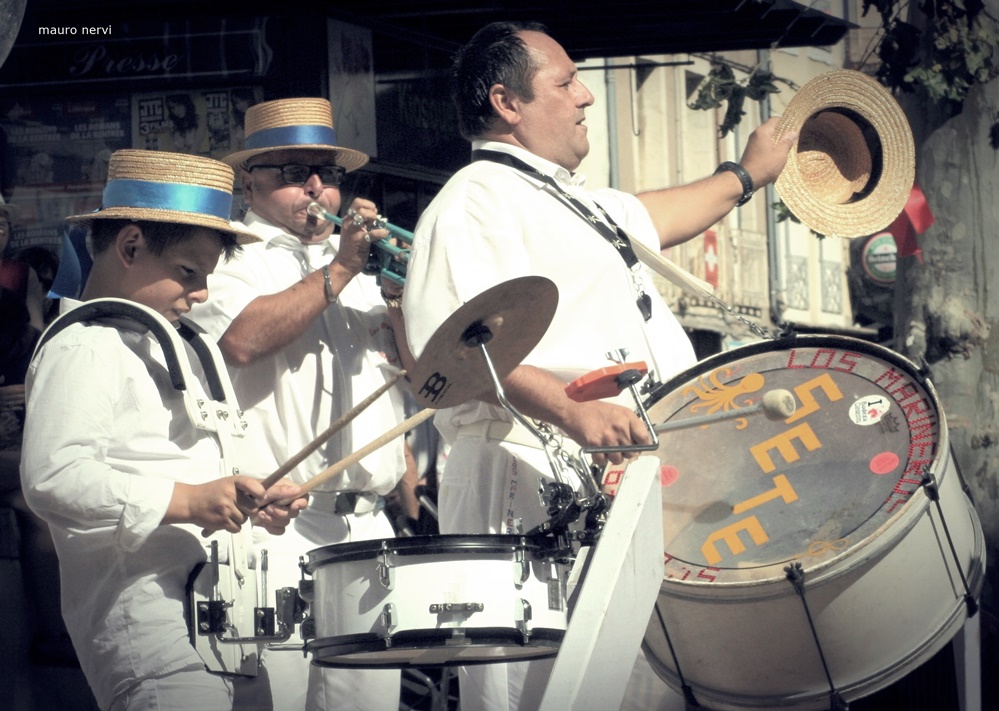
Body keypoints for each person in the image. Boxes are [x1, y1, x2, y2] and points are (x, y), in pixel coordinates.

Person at [401, 21, 796, 711]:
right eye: (565, 82)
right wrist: (568, 408)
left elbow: (655, 215)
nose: (585, 96)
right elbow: (453, 341)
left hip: (616, 476)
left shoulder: (572, 198)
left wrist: (744, 174)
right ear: (506, 102)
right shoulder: (472, 201)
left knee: (635, 690)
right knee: (544, 688)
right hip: (527, 473)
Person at [19, 149, 308, 711]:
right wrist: (189, 500)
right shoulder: (84, 344)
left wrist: (252, 497)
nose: (201, 293)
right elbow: (53, 478)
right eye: (187, 273)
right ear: (130, 247)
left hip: (225, 621)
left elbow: (199, 469)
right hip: (148, 628)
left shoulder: (181, 346)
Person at [188, 97, 412, 711]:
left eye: (327, 173)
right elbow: (241, 340)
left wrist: (395, 293)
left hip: (368, 522)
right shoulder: (231, 256)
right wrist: (340, 271)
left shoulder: (360, 265)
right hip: (276, 527)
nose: (315, 187)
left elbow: (426, 372)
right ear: (250, 181)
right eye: (293, 173)